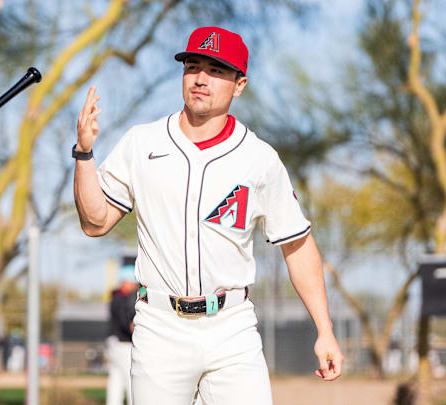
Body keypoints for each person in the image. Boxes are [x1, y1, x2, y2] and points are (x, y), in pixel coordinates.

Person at [73, 26, 344, 404]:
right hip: (160, 326)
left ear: (239, 84)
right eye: (193, 66)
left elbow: (297, 246)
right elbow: (94, 222)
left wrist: (325, 329)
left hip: (231, 325)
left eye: (216, 70)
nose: (201, 78)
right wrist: (84, 155)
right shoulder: (142, 142)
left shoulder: (259, 158)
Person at [106, 256, 139, 405]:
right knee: (132, 382)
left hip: (114, 343)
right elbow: (128, 324)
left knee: (116, 382)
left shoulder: (115, 296)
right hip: (124, 345)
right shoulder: (122, 298)